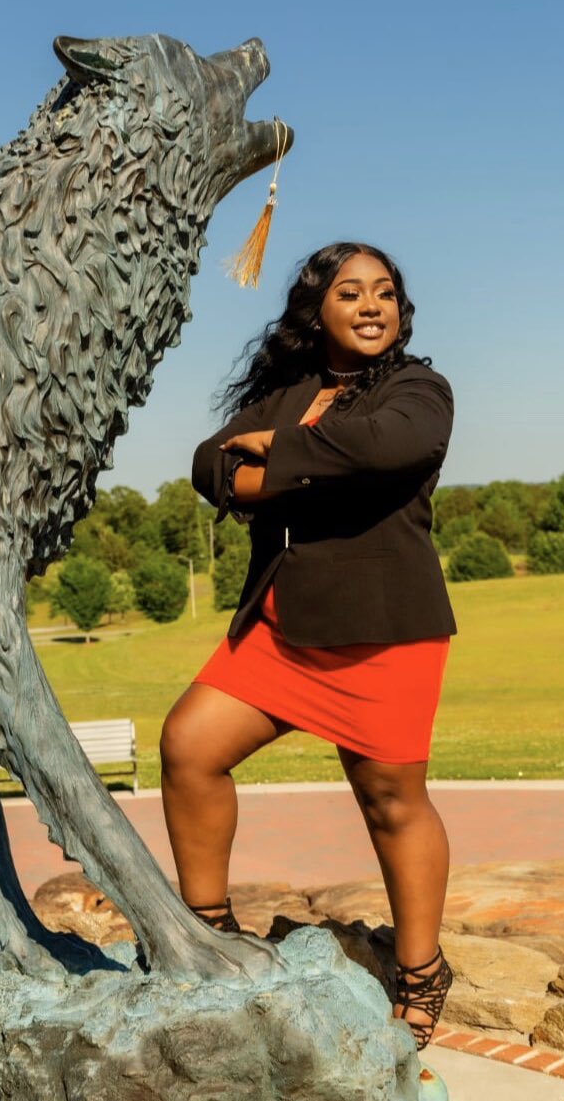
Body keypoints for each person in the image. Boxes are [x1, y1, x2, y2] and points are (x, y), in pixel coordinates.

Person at [160, 241, 456, 1049]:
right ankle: (207, 930)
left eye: (385, 293)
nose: (371, 305)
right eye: (351, 293)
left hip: (381, 633)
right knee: (188, 745)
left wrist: (280, 457)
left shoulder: (418, 390)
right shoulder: (289, 393)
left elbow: (386, 448)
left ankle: (422, 970)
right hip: (279, 630)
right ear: (315, 312)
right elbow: (205, 465)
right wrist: (289, 464)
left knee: (389, 803)